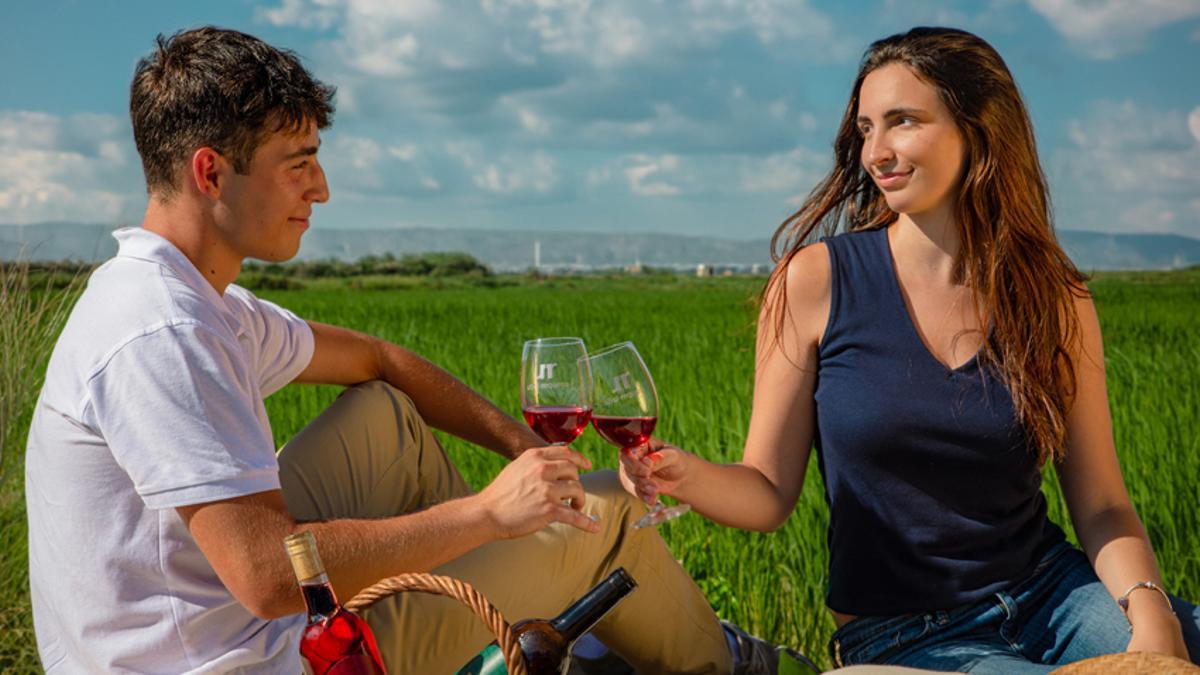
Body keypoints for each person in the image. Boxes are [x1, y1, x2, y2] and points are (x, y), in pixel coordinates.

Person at [23, 26, 806, 674]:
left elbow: (381, 360)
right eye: (298, 163)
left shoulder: (193, 299)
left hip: (204, 612)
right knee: (608, 515)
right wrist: (487, 513)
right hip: (255, 656)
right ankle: (725, 663)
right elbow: (266, 577)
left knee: (386, 415)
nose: (321, 188)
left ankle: (505, 616)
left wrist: (526, 451)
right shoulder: (164, 332)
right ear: (210, 171)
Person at [618, 26, 1200, 674]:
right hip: (908, 637)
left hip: (1058, 596)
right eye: (866, 129)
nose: (876, 151)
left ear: (978, 128)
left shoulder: (1054, 296)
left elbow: (1103, 505)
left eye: (902, 121)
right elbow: (768, 491)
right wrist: (684, 473)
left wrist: (1151, 611)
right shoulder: (815, 281)